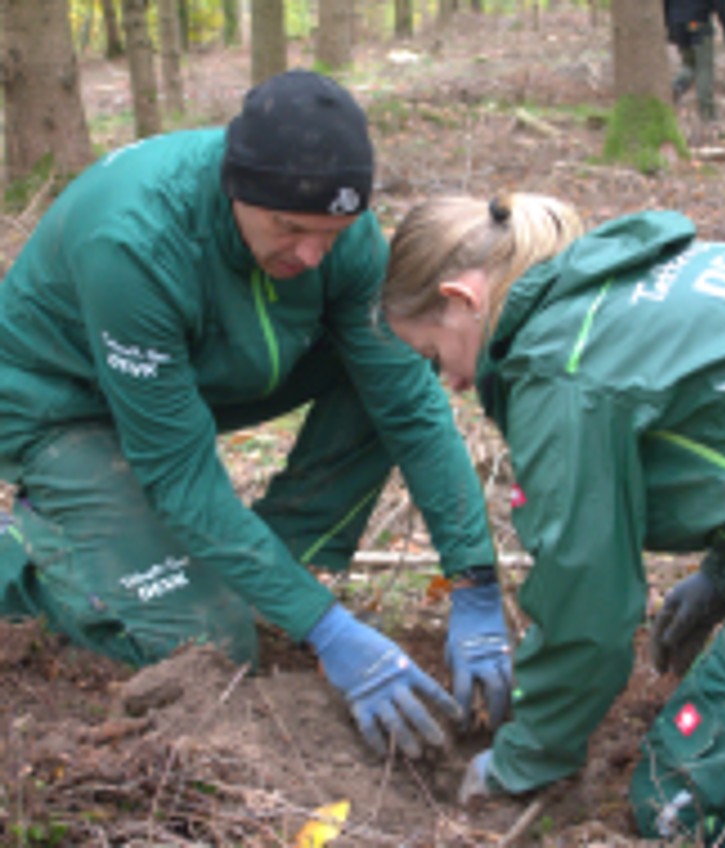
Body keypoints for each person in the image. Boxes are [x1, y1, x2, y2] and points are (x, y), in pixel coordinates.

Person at [0, 70, 512, 761]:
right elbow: (179, 472)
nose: (310, 254)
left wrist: (475, 584)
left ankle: (270, 576)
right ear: (236, 188)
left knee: (396, 359)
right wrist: (327, 630)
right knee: (207, 643)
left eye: (331, 232)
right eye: (290, 229)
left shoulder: (344, 239)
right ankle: (27, 557)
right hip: (67, 403)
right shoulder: (135, 245)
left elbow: (409, 406)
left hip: (202, 372)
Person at [379, 192, 725, 844]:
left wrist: (526, 759)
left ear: (463, 299)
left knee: (672, 804)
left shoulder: (561, 366)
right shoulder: (641, 278)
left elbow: (588, 607)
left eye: (434, 355)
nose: (450, 384)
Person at [664, 0, 725, 121]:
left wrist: (669, 26)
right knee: (704, 69)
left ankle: (675, 89)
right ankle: (707, 115)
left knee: (689, 64)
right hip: (698, 23)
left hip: (677, 24)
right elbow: (721, 4)